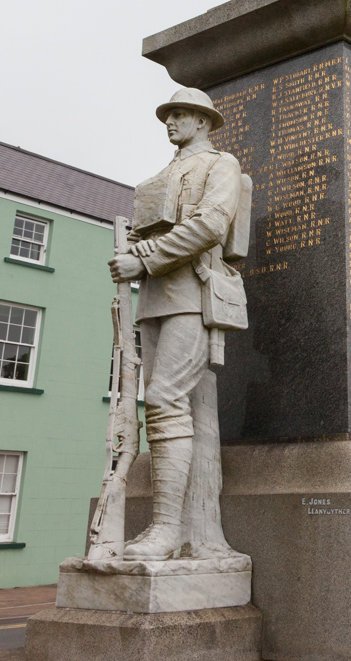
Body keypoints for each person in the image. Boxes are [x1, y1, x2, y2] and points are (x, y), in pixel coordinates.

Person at [108, 88, 242, 561]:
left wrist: (142, 258)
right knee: (176, 410)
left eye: (180, 114)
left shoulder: (219, 165)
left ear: (203, 121)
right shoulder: (164, 173)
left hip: (192, 294)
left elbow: (210, 225)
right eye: (168, 115)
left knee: (164, 400)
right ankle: (187, 530)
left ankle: (166, 529)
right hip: (154, 300)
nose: (171, 121)